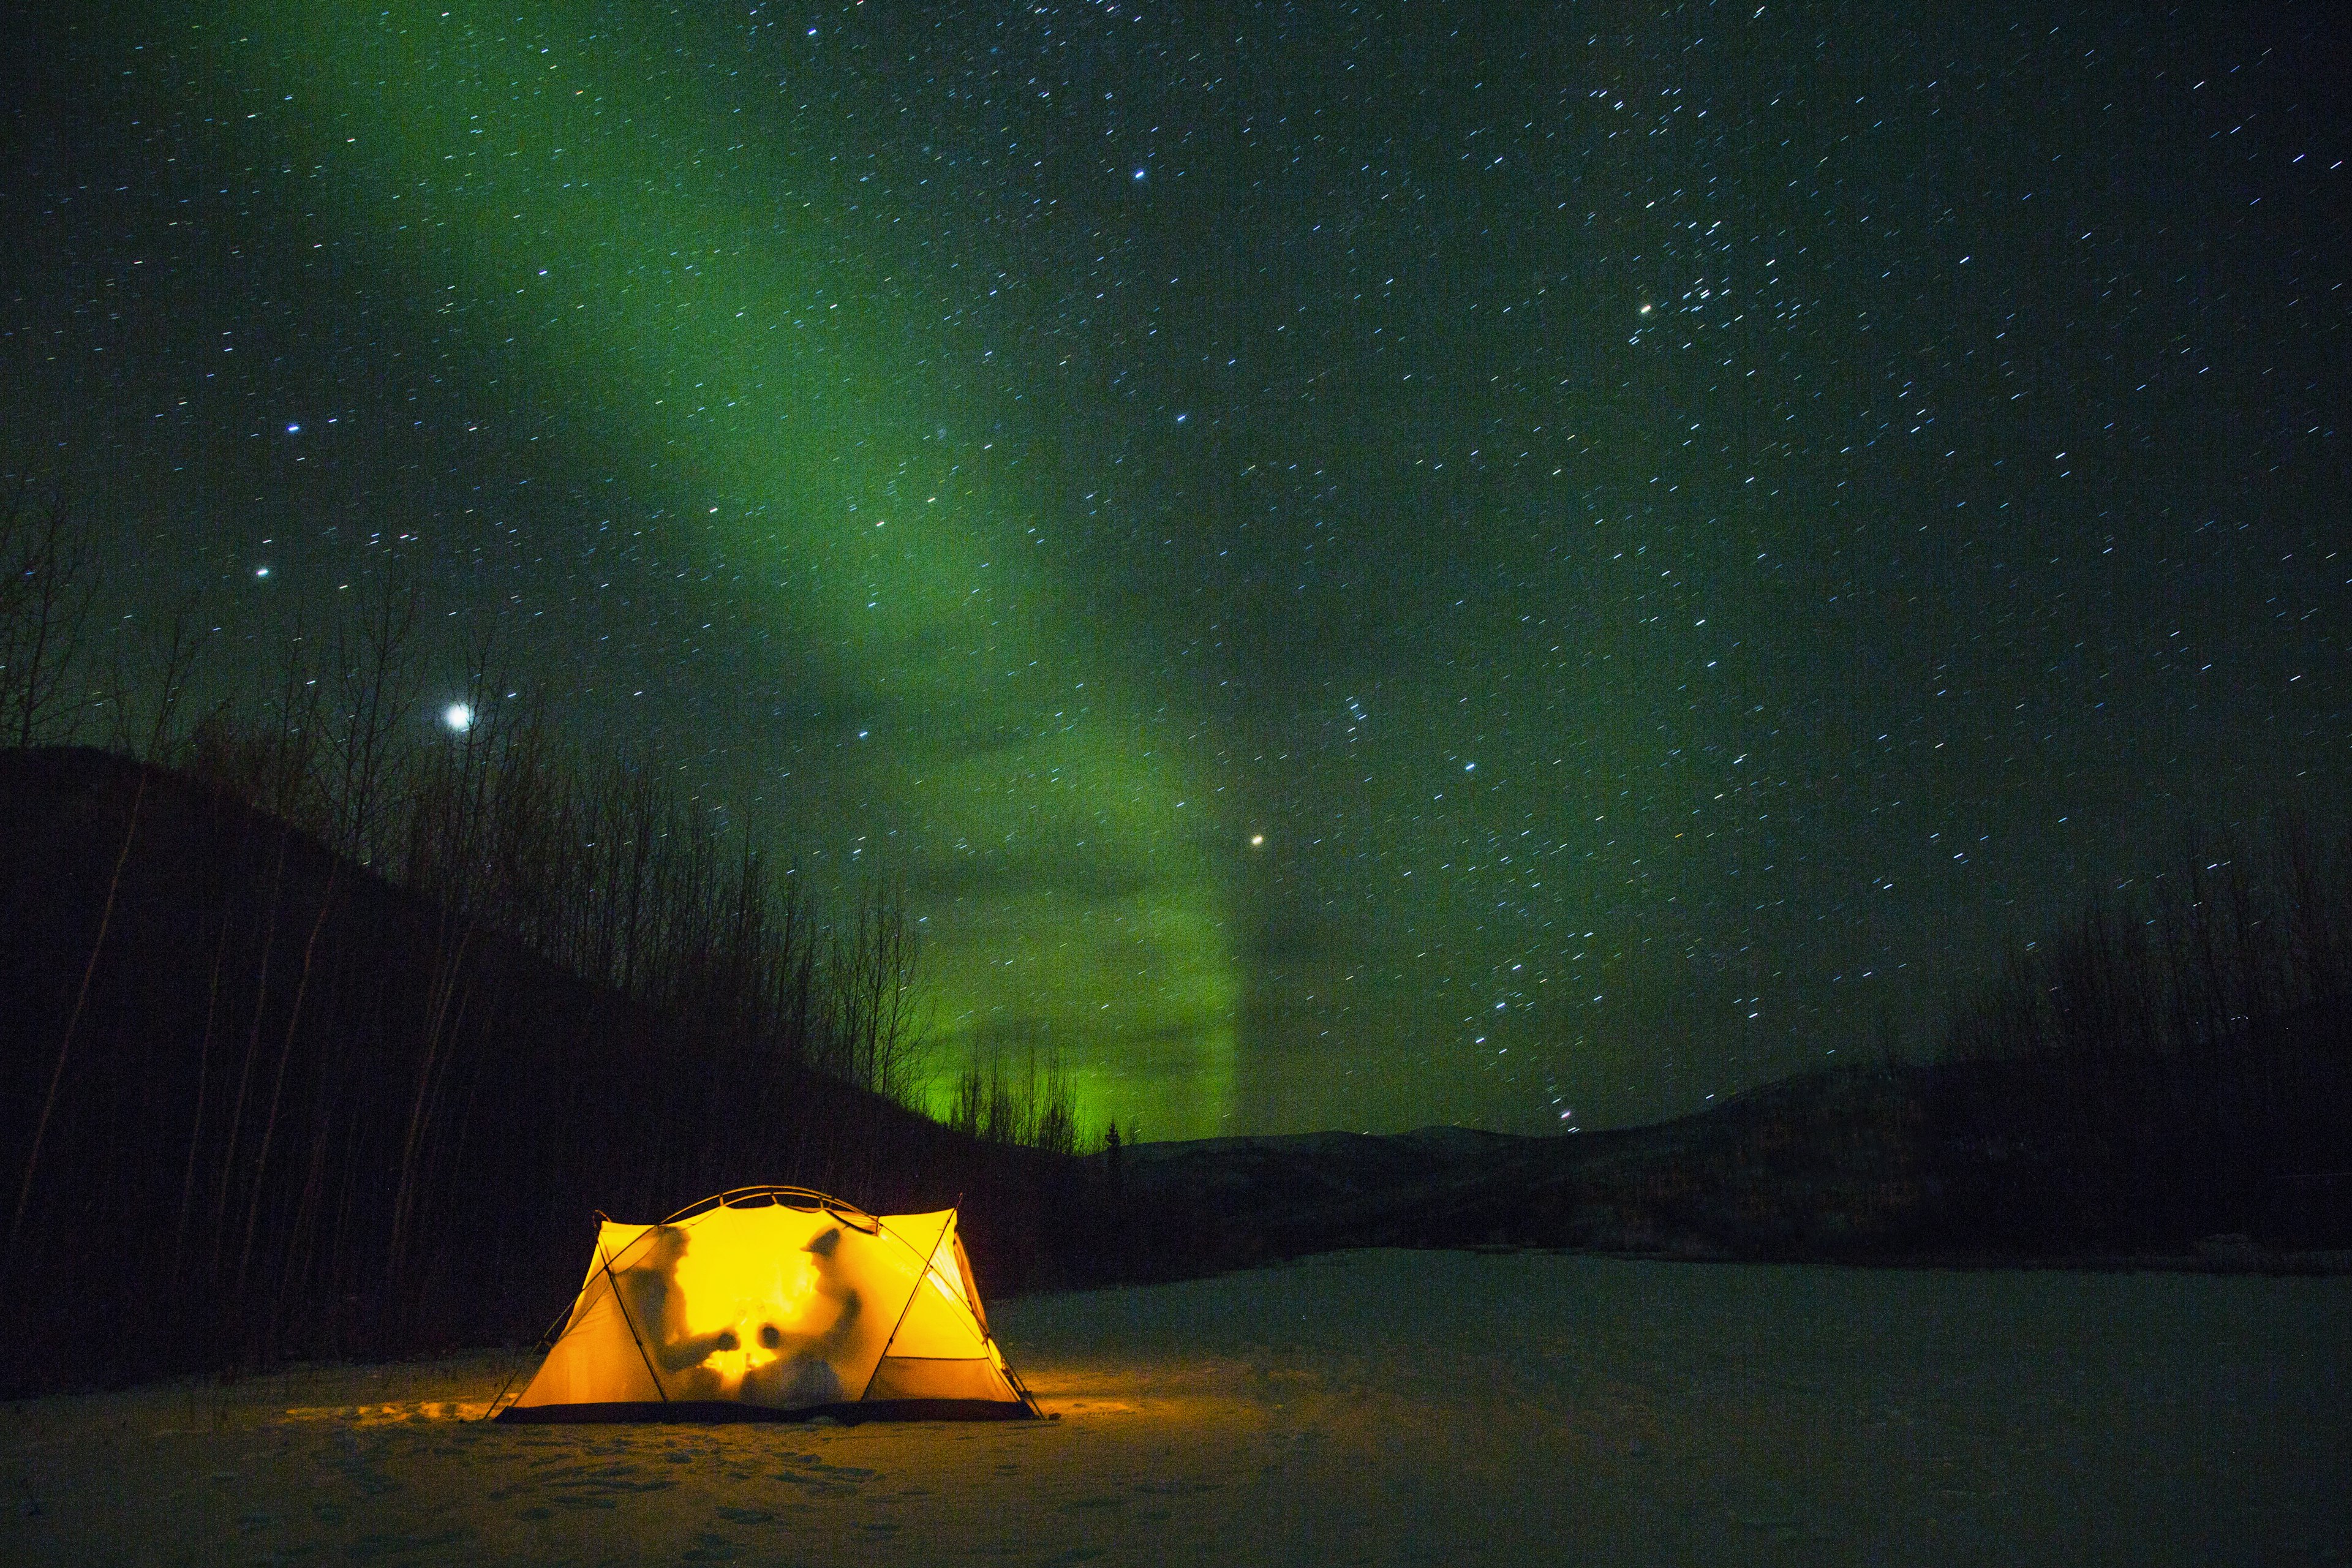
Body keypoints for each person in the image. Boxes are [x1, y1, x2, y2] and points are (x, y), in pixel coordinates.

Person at [741, 1224, 863, 1409]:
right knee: (753, 1380)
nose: (812, 1263)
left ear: (829, 1257)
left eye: (816, 1256)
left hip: (825, 1373)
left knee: (755, 1384)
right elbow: (812, 1328)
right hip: (812, 1364)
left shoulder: (848, 1297)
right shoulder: (828, 1287)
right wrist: (779, 1331)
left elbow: (831, 1344)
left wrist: (785, 1338)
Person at [613, 1224, 737, 1399]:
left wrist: (709, 1346)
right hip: (650, 1393)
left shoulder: (671, 1290)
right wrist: (713, 1342)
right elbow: (665, 1359)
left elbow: (682, 1338)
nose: (681, 1260)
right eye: (677, 1254)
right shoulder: (651, 1289)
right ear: (663, 1252)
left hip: (665, 1388)